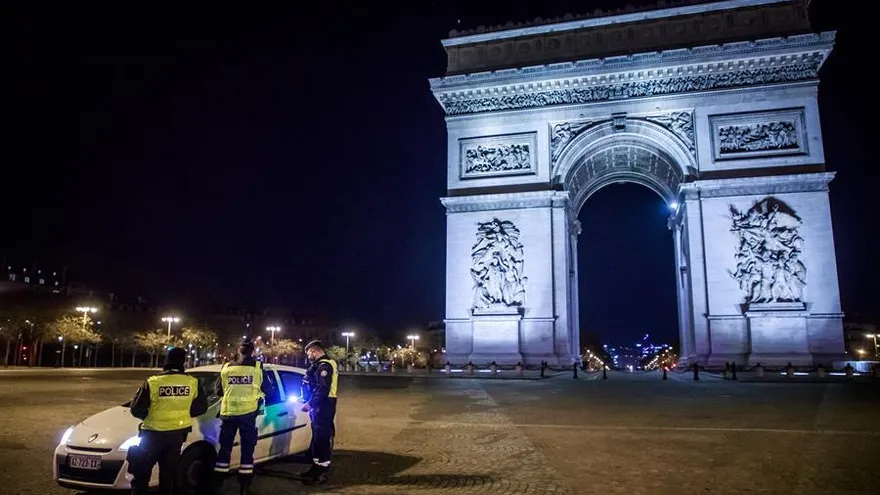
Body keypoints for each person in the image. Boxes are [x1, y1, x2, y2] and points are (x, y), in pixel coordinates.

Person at [127, 347, 207, 495]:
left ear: (167, 360)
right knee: (168, 476)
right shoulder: (192, 382)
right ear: (183, 362)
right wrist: (182, 414)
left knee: (141, 475)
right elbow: (201, 407)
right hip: (176, 436)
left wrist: (150, 416)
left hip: (151, 435)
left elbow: (136, 408)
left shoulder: (153, 382)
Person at [212, 338, 270, 495]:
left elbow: (218, 391)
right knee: (247, 450)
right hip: (248, 414)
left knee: (224, 449)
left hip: (228, 414)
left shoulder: (226, 368)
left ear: (239, 351)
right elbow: (268, 389)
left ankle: (217, 485)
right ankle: (244, 487)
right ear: (253, 351)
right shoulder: (258, 368)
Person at [299, 339, 339, 485]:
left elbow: (323, 389)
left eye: (309, 352)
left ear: (315, 351)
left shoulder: (324, 366)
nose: (308, 355)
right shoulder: (318, 365)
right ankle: (316, 467)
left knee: (322, 438)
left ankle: (322, 471)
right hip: (320, 405)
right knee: (316, 438)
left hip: (324, 405)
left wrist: (310, 404)